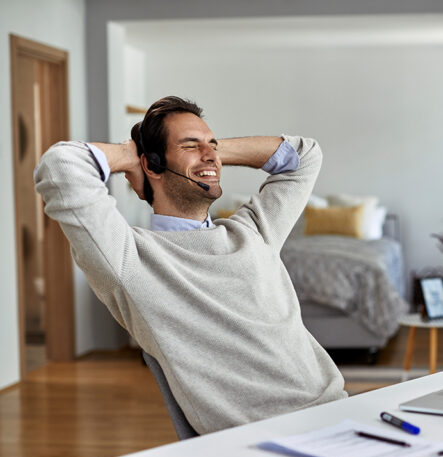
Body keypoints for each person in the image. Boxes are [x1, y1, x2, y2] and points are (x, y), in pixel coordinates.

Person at [34, 96, 347, 435]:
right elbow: (59, 166)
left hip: (338, 411)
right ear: (152, 164)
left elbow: (303, 156)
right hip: (255, 441)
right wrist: (131, 155)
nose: (211, 154)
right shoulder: (127, 259)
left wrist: (207, 153)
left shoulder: (253, 231)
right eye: (190, 145)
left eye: (212, 144)